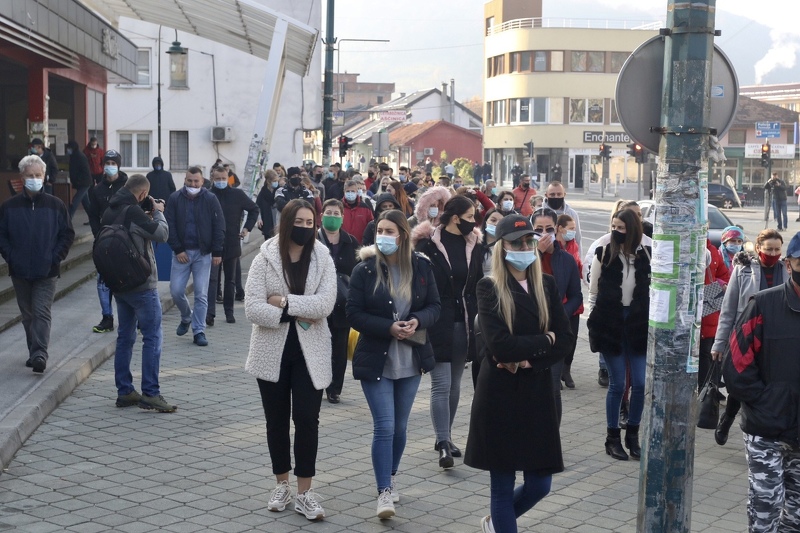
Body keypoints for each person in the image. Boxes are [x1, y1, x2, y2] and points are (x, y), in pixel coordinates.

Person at [466, 214, 574, 533]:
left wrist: (530, 360)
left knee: (540, 485)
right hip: (499, 397)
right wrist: (545, 340)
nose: (526, 246)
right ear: (502, 248)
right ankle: (502, 523)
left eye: (529, 240)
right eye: (517, 242)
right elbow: (501, 347)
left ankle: (497, 522)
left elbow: (566, 338)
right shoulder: (489, 288)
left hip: (538, 394)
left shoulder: (547, 285)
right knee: (501, 487)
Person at [244, 199, 336, 521]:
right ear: (286, 223)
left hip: (310, 353)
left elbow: (325, 304)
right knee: (277, 421)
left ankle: (305, 492)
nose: (305, 228)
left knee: (308, 420)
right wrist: (295, 312)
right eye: (299, 222)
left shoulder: (322, 257)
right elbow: (252, 307)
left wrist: (282, 302)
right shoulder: (265, 257)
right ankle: (282, 483)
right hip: (272, 351)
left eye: (310, 223)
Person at [347, 209, 441, 519]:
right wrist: (387, 327)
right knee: (384, 426)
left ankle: (393, 474)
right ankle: (383, 490)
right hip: (376, 360)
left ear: (402, 234)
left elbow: (434, 307)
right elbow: (353, 314)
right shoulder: (365, 270)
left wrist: (417, 320)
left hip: (411, 359)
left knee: (400, 427)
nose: (384, 237)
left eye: (390, 231)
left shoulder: (421, 267)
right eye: (379, 232)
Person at [721, 231, 800, 533]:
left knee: (795, 516)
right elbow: (736, 365)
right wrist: (766, 402)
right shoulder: (763, 305)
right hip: (766, 429)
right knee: (765, 509)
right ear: (789, 264)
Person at [412, 195, 484, 469]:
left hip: (463, 322)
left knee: (455, 385)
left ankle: (448, 435)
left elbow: (477, 283)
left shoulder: (474, 244)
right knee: (440, 384)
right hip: (436, 321)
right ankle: (443, 441)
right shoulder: (427, 244)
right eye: (469, 217)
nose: (473, 222)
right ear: (455, 218)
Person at [100, 175, 175, 411]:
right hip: (142, 286)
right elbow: (161, 234)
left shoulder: (110, 211)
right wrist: (159, 211)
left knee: (125, 337)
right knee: (152, 337)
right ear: (142, 194)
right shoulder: (133, 212)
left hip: (119, 285)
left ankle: (125, 391)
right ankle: (151, 394)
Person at [711, 228, 786, 446]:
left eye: (777, 249)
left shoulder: (787, 270)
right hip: (745, 340)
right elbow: (728, 310)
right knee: (742, 383)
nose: (773, 253)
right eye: (768, 249)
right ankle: (727, 419)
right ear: (759, 248)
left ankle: (759, 434)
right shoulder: (743, 270)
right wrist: (719, 344)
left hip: (774, 341)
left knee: (766, 387)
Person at [0, 155, 74, 373]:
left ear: (44, 177)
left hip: (47, 270)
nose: (34, 179)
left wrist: (55, 257)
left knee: (41, 312)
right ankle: (34, 350)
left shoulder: (56, 205)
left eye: (38, 175)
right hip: (20, 270)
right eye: (30, 175)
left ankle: (40, 353)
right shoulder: (9, 207)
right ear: (22, 177)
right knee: (28, 315)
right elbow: (2, 235)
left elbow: (67, 234)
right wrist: (11, 256)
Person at [587, 208, 651, 461]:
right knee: (618, 384)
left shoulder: (647, 254)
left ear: (634, 229)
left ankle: (633, 435)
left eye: (622, 228)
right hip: (610, 323)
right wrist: (594, 324)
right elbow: (593, 293)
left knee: (640, 383)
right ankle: (612, 437)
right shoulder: (603, 254)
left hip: (637, 324)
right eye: (614, 226)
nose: (616, 231)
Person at [165, 166, 225, 347]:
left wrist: (217, 251)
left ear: (202, 181)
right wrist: (178, 249)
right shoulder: (175, 198)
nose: (193, 184)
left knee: (201, 294)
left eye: (196, 181)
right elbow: (169, 225)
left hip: (203, 253)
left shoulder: (210, 199)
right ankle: (186, 317)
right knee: (176, 291)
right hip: (181, 253)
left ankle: (199, 331)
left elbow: (219, 225)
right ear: (185, 180)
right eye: (190, 181)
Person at [532, 207, 582, 410]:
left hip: (555, 330)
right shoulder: (526, 256)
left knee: (552, 387)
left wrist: (562, 313)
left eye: (549, 229)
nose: (544, 234)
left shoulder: (566, 260)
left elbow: (576, 295)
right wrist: (537, 253)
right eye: (538, 229)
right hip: (529, 329)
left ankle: (552, 432)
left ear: (557, 230)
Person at [317, 199, 359, 404]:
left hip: (342, 302)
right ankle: (318, 382)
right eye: (329, 213)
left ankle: (334, 388)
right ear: (321, 215)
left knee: (339, 347)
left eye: (336, 214)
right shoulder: (313, 240)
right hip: (318, 301)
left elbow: (358, 272)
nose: (332, 217)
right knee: (319, 344)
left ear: (342, 218)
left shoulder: (351, 242)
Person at [207, 164, 259, 325]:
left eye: (223, 178)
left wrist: (246, 229)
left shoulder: (237, 194)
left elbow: (254, 209)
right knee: (212, 280)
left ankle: (229, 312)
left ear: (228, 177)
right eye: (217, 179)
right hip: (212, 245)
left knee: (230, 280)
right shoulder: (208, 195)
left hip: (232, 242)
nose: (221, 181)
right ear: (212, 179)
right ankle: (210, 314)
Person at [87, 150, 129, 334]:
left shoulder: (128, 187)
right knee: (102, 280)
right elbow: (93, 215)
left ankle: (132, 316)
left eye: (113, 162)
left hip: (126, 241)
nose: (110, 166)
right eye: (107, 162)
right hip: (104, 241)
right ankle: (107, 317)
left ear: (119, 165)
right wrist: (98, 234)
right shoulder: (97, 190)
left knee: (128, 279)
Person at [698, 241, 729, 392]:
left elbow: (724, 275)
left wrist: (719, 284)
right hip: (687, 312)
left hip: (709, 311)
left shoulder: (712, 251)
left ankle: (709, 392)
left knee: (708, 353)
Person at [543, 181, 582, 254]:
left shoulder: (572, 214)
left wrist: (578, 261)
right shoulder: (539, 214)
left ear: (564, 195)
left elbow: (578, 239)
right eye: (552, 194)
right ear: (546, 195)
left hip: (568, 257)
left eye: (559, 194)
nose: (556, 197)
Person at [66, 140, 92, 219]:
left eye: (69, 148)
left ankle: (68, 219)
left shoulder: (78, 156)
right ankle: (94, 218)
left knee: (75, 201)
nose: (68, 150)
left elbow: (83, 171)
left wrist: (77, 180)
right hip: (82, 182)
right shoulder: (75, 156)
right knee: (86, 203)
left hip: (84, 183)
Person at [341, 179, 374, 244]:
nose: (350, 193)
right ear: (344, 192)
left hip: (361, 244)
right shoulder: (339, 207)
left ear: (357, 192)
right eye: (348, 191)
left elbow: (371, 226)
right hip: (342, 244)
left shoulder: (365, 208)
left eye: (353, 191)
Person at [257, 169, 280, 240]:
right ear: (268, 181)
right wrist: (259, 218)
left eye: (277, 181)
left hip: (278, 220)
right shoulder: (263, 193)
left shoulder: (279, 190)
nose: (276, 183)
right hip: (267, 221)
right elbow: (258, 206)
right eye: (274, 181)